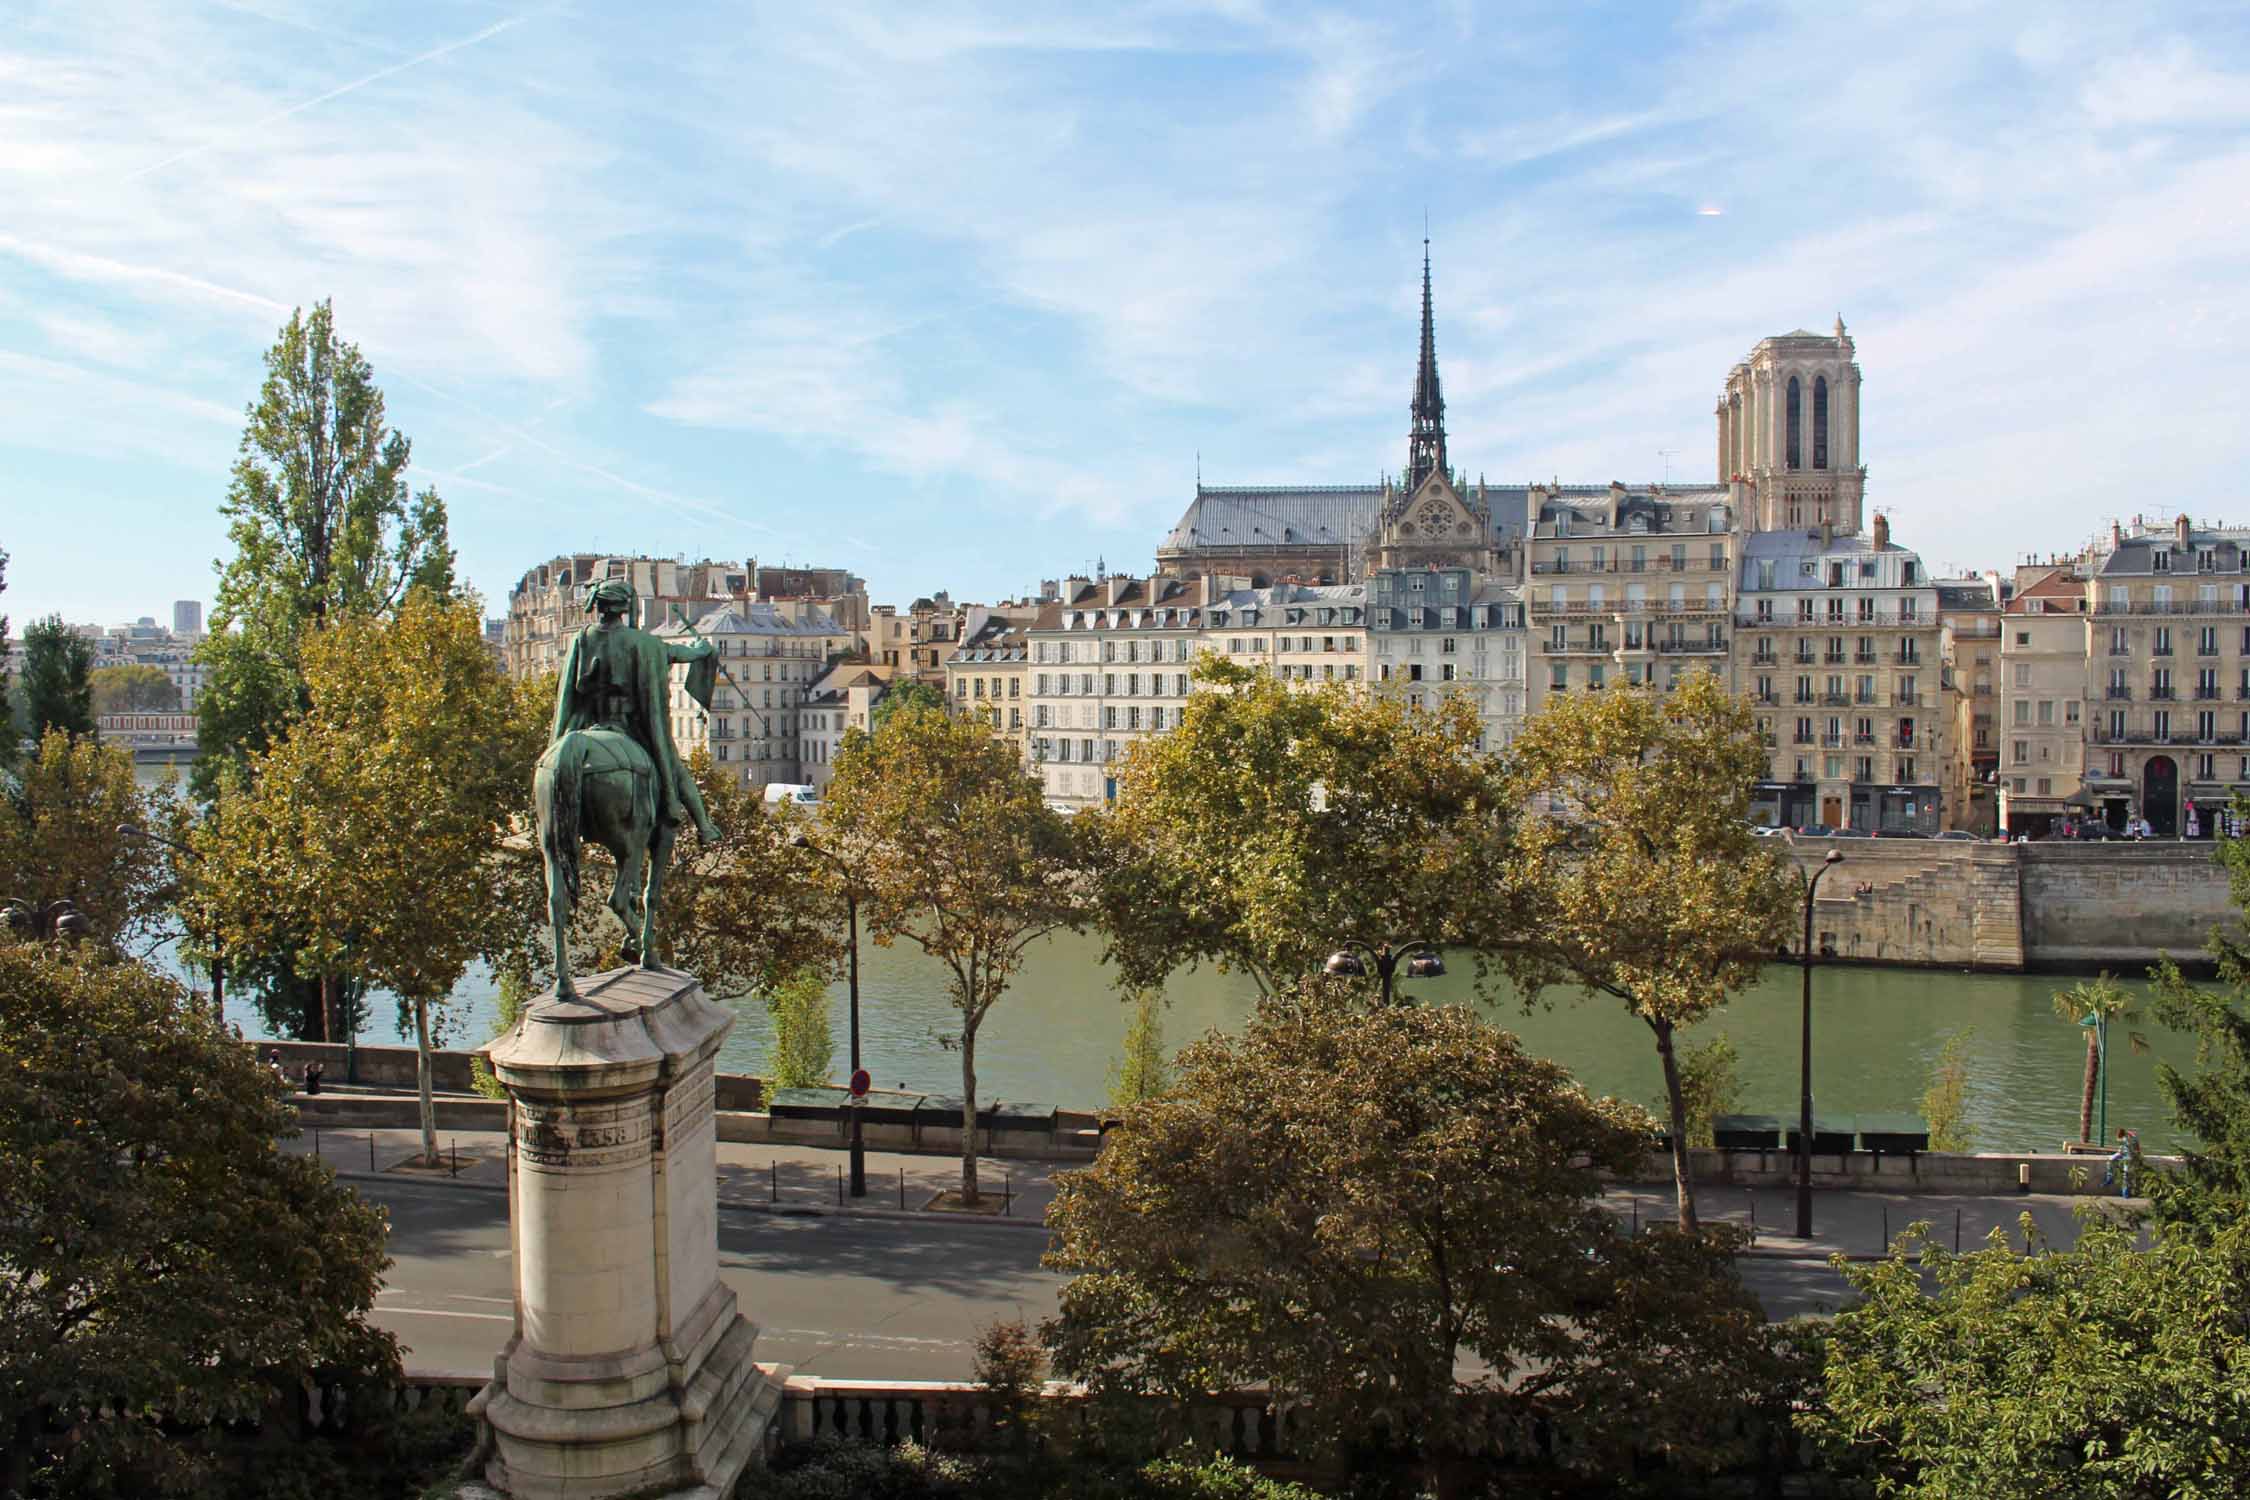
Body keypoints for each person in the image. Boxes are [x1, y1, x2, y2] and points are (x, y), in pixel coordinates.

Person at [550, 576, 723, 845]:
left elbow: (568, 690)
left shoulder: (581, 639)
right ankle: (704, 826)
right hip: (628, 724)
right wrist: (701, 650)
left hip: (585, 722)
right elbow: (677, 652)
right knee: (673, 767)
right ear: (625, 608)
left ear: (599, 606)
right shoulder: (642, 643)